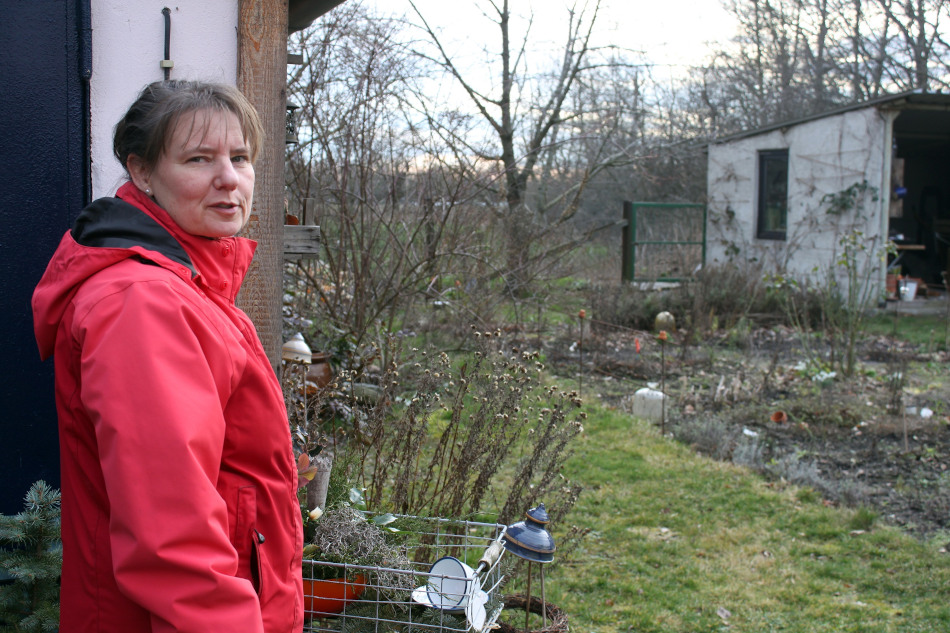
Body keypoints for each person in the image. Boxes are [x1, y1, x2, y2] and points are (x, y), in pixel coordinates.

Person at [32, 80, 303, 633]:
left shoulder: (190, 287)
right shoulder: (143, 303)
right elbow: (171, 537)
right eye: (199, 159)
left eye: (240, 157)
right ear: (144, 173)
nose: (229, 178)